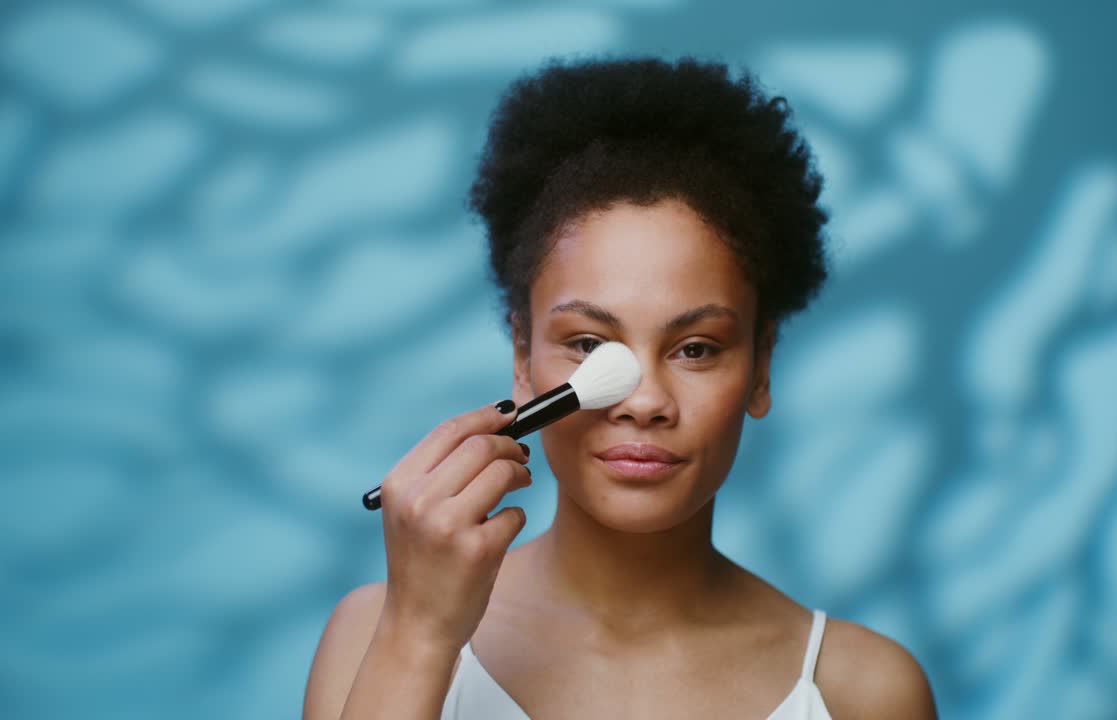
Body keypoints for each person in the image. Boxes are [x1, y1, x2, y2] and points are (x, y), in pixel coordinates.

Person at [303, 55, 937, 719]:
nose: (644, 402)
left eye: (695, 349)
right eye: (588, 344)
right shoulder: (373, 635)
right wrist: (420, 638)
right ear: (523, 353)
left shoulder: (862, 691)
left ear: (761, 365)